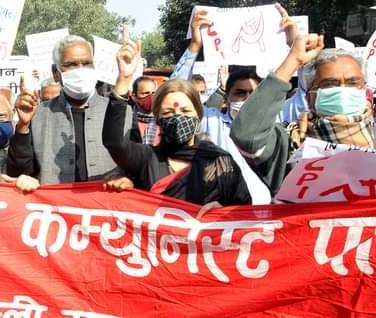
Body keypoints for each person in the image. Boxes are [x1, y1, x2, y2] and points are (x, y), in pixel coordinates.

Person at [102, 41, 251, 206]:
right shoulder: (147, 158)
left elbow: (242, 210)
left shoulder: (220, 162)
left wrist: (221, 213)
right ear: (158, 119)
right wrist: (123, 79)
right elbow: (113, 142)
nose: (178, 117)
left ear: (198, 116)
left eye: (186, 111)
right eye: (168, 113)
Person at [230, 33, 371, 194]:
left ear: (364, 89)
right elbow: (247, 135)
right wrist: (294, 61)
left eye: (353, 83)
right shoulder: (287, 142)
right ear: (309, 97)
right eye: (329, 84)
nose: (342, 91)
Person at [6, 35, 132, 188]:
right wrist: (23, 126)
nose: (80, 70)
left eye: (86, 63)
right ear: (56, 72)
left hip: (106, 208)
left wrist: (129, 179)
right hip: (53, 208)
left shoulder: (122, 113)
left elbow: (141, 168)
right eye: (71, 65)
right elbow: (18, 174)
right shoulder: (38, 115)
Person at [199, 69, 271, 204]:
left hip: (262, 207)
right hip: (223, 208)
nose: (248, 99)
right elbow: (176, 89)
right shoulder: (212, 121)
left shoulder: (272, 124)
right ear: (226, 98)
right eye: (240, 93)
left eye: (253, 93)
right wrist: (195, 47)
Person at [129, 76, 160, 145]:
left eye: (153, 93)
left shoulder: (162, 120)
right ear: (134, 97)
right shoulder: (127, 120)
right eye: (146, 93)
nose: (151, 97)